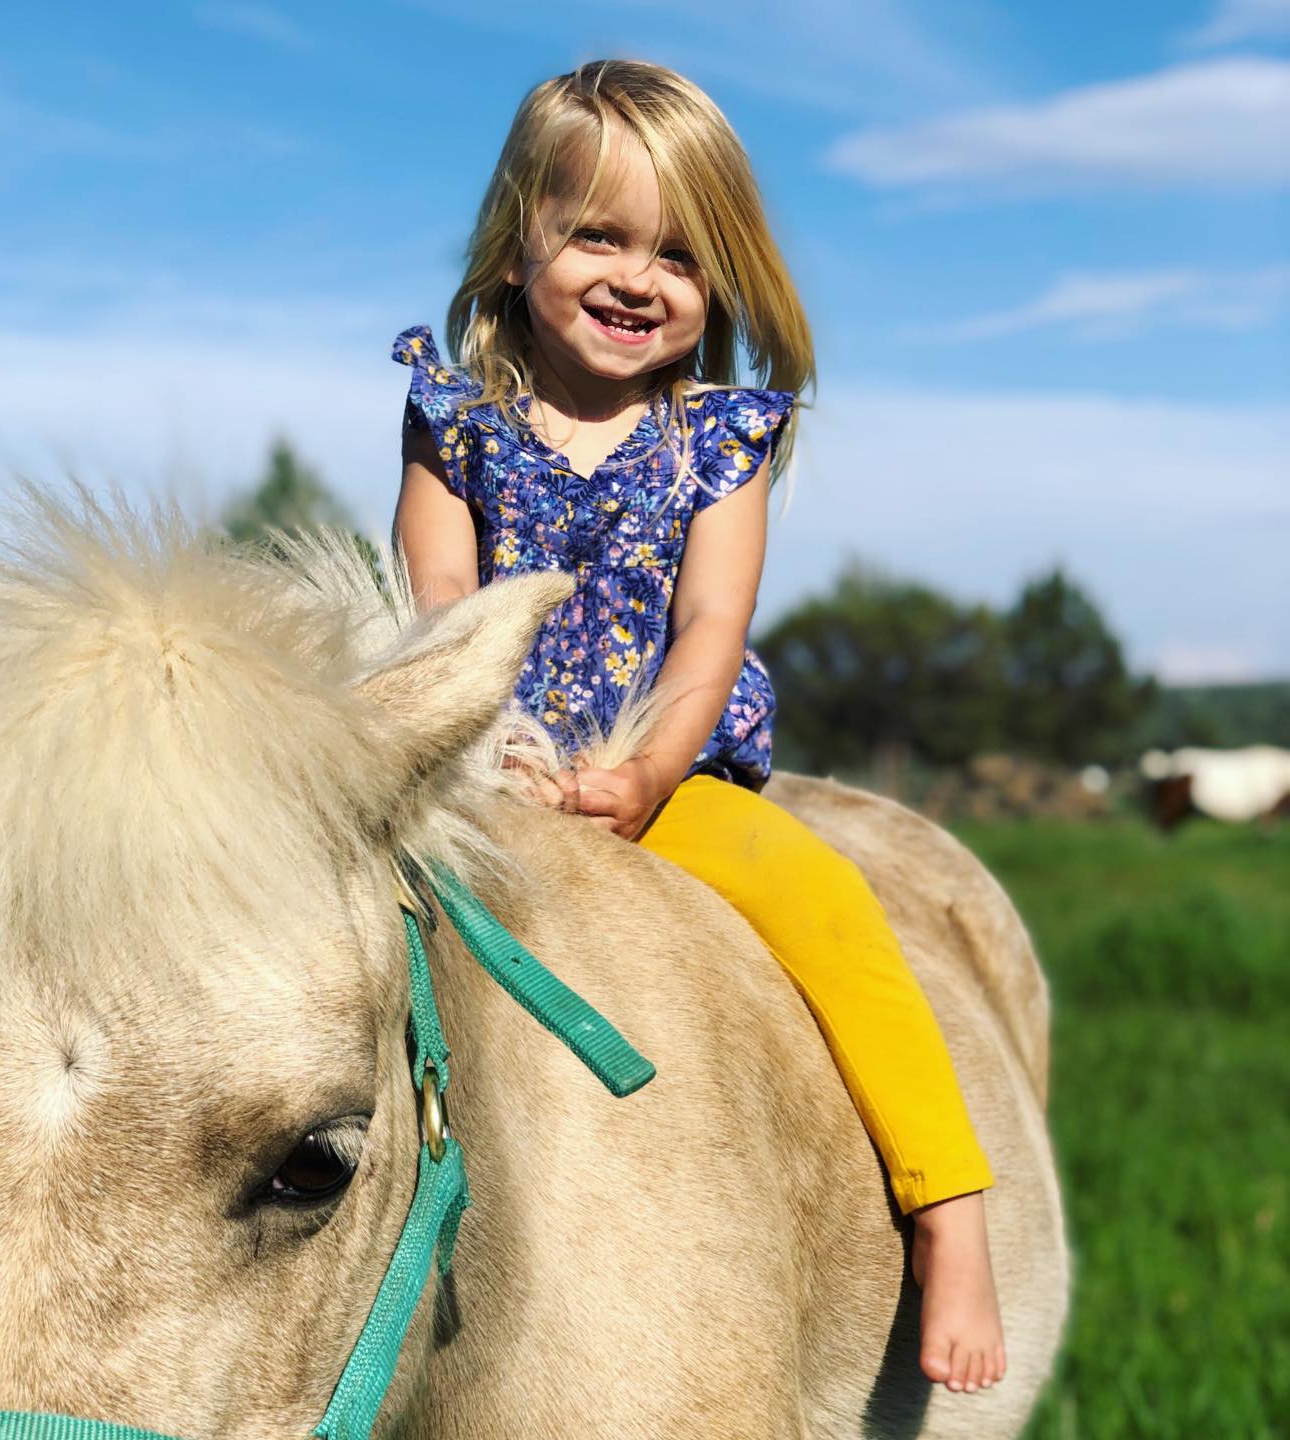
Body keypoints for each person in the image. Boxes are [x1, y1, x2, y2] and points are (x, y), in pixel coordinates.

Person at [391, 59, 1006, 1395]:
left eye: (679, 253)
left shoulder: (718, 439)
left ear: (721, 281)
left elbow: (710, 627)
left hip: (665, 773)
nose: (637, 275)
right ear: (516, 246)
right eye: (597, 234)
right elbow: (436, 593)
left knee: (834, 916)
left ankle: (949, 1214)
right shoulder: (458, 421)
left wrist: (648, 766)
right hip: (486, 764)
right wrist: (483, 736)